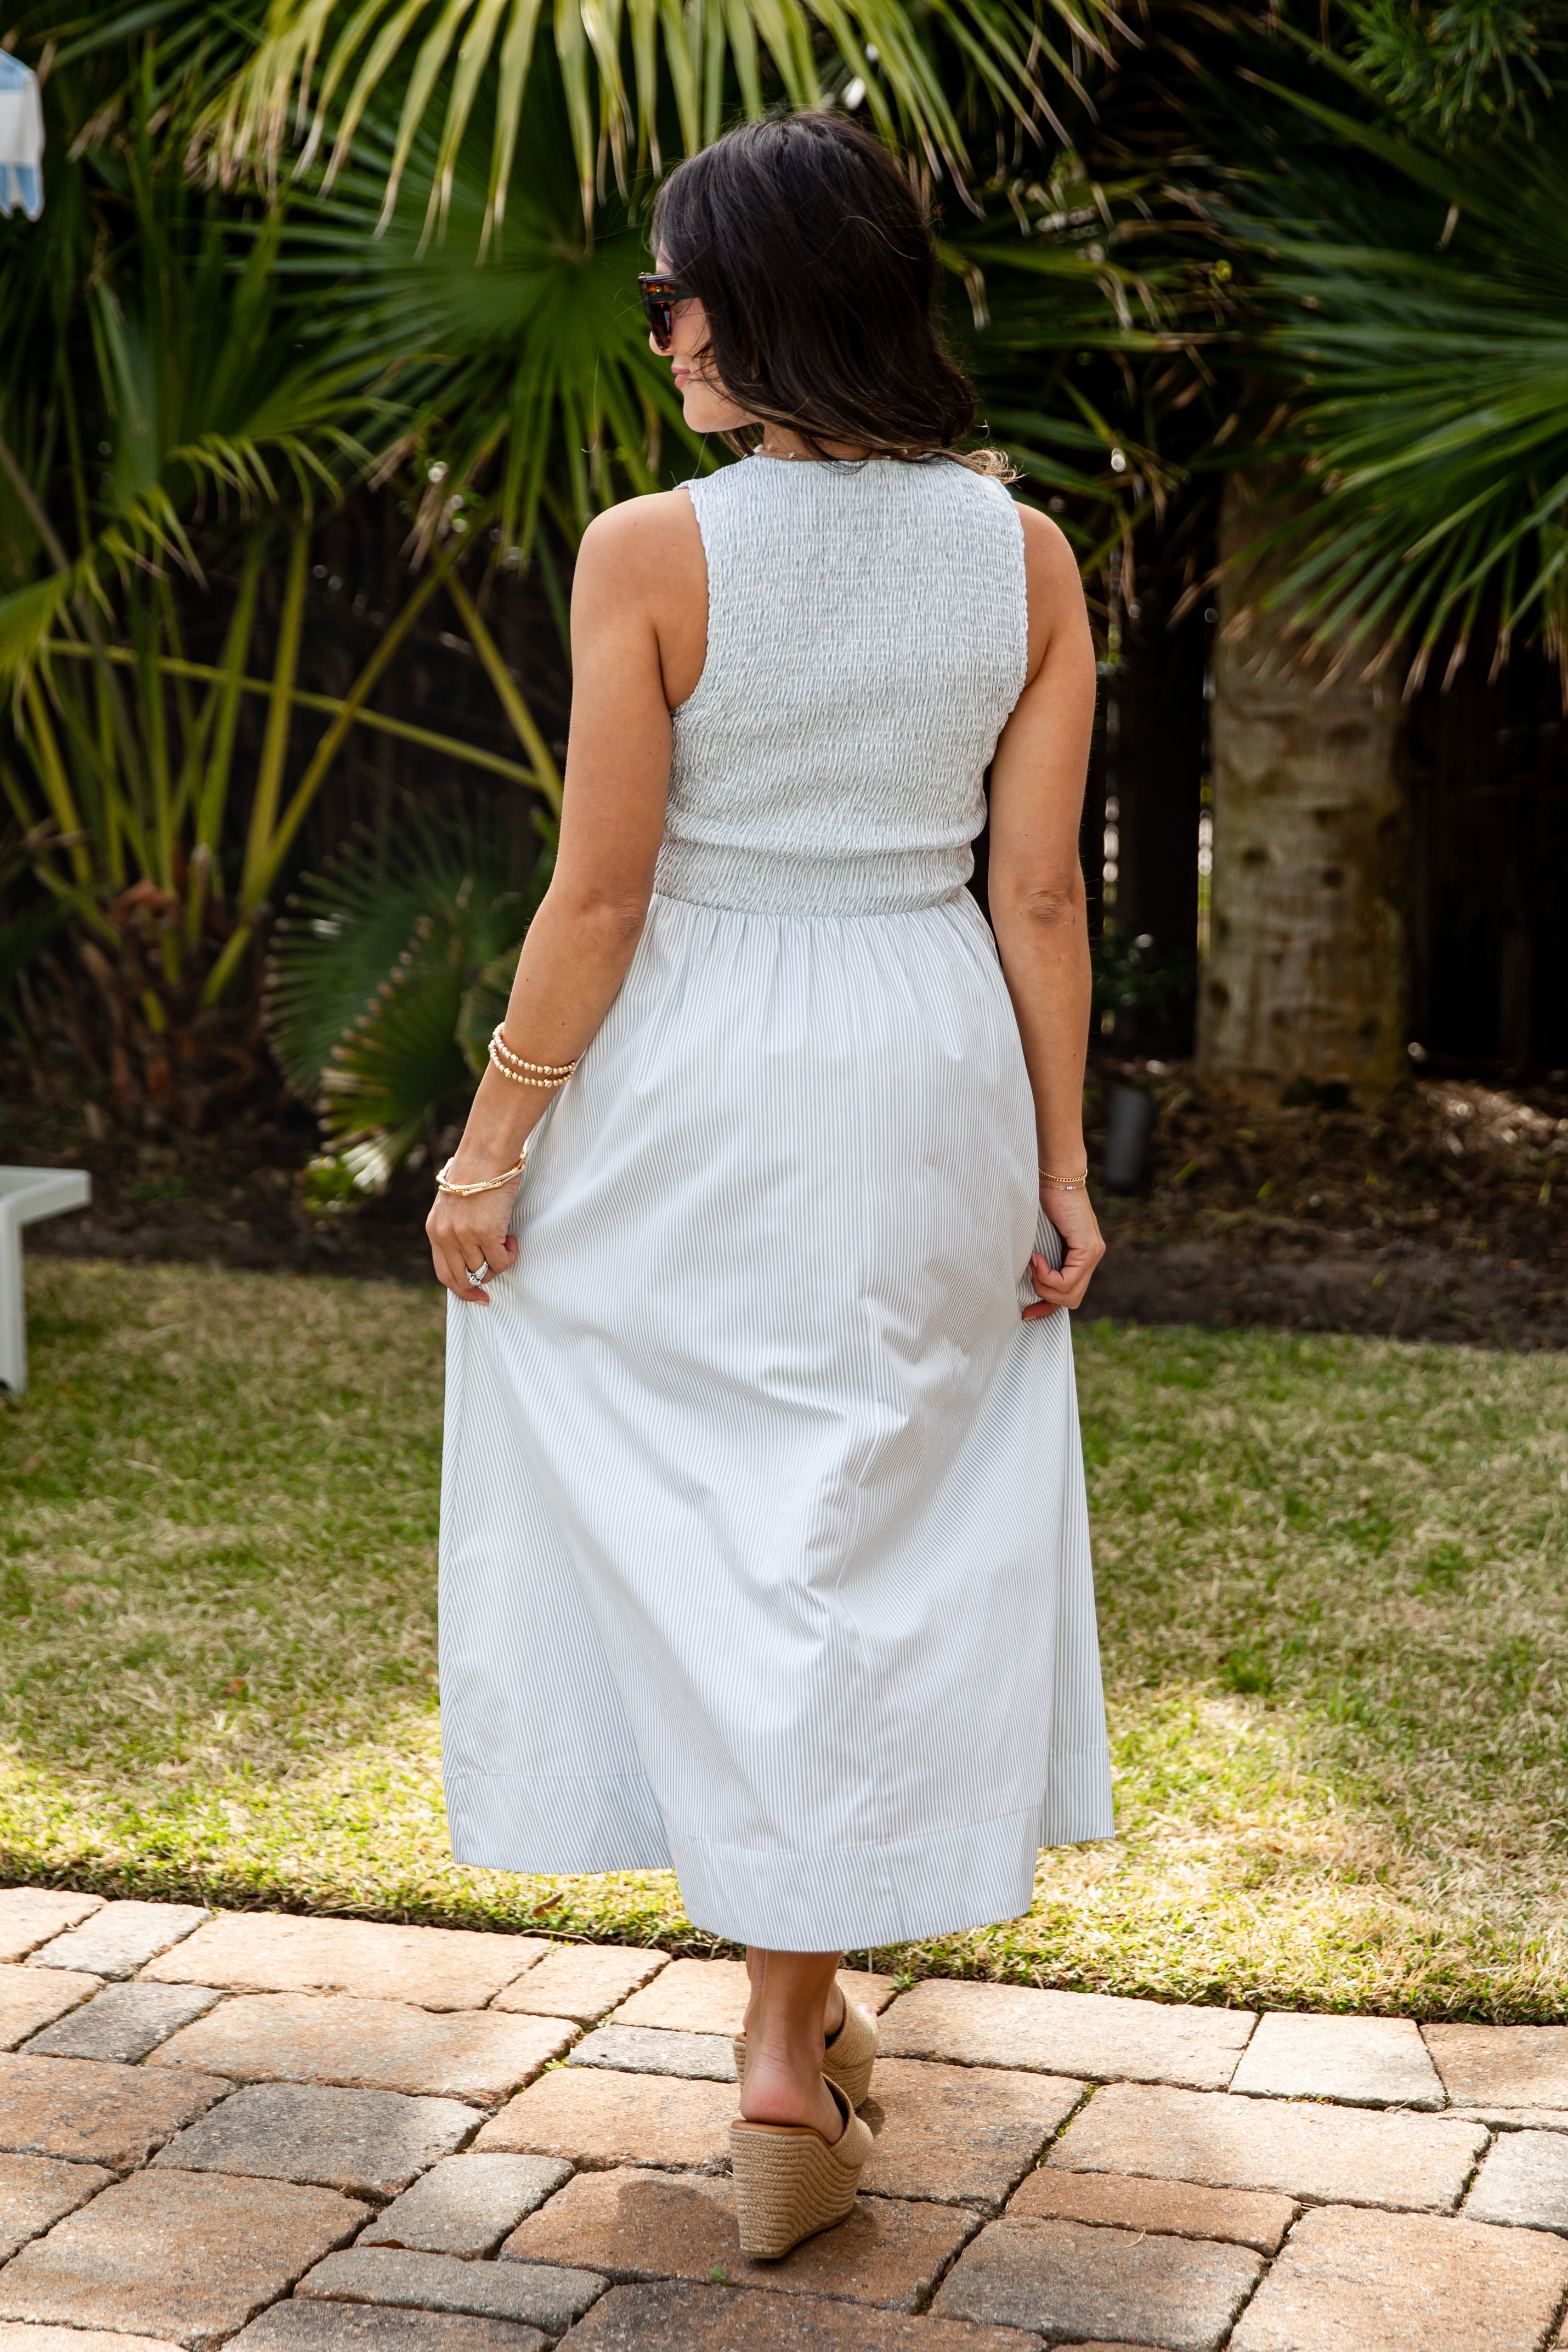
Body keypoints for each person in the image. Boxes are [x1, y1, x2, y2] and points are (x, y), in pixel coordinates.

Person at [427, 109, 1113, 2261]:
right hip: (925, 1062)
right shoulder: (1023, 554)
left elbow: (603, 891)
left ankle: (773, 2053)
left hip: (697, 1073)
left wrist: (489, 1139)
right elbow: (1035, 898)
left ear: (768, 305)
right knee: (866, 1518)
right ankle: (788, 2031)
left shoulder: (651, 549)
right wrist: (1065, 1163)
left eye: (677, 293)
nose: (659, 334)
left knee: (731, 1523)